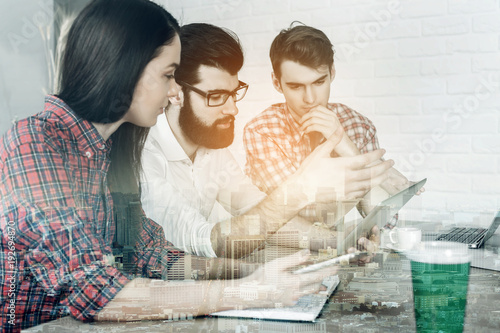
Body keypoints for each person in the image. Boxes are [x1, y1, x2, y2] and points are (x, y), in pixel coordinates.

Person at [0, 2, 336, 331]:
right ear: (123, 68)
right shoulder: (33, 142)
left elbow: (157, 257)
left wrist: (250, 272)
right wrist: (249, 292)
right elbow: (97, 294)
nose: (175, 91)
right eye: (169, 75)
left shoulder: (110, 152)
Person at [140, 23, 392, 259]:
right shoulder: (143, 156)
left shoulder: (212, 153)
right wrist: (302, 187)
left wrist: (341, 241)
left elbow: (263, 216)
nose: (233, 110)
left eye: (233, 93)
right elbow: (203, 240)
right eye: (216, 96)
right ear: (175, 93)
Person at [244, 23, 414, 218]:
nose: (310, 99)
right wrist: (372, 171)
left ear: (332, 73)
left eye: (319, 82)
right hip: (275, 244)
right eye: (296, 86)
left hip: (331, 243)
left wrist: (343, 143)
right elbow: (294, 214)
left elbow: (383, 217)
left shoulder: (358, 125)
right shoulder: (262, 131)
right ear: (277, 83)